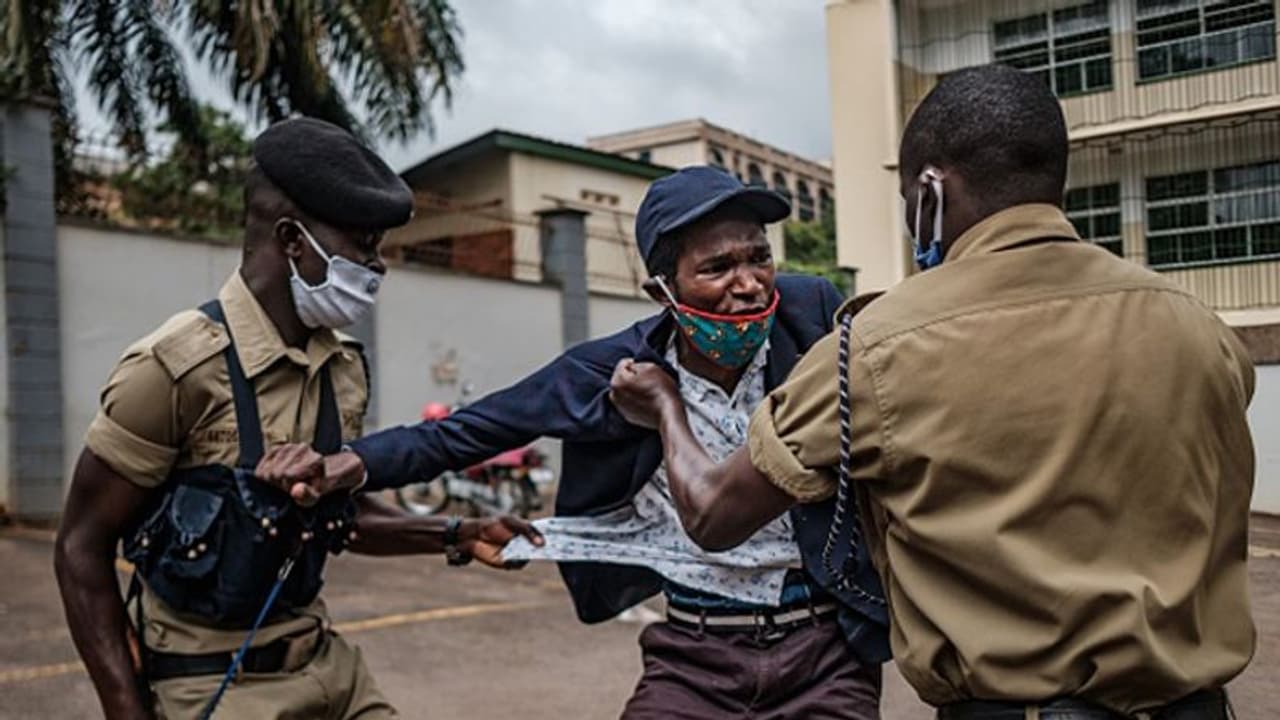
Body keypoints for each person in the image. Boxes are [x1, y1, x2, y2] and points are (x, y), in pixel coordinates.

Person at [609, 64, 1254, 719]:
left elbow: (715, 516)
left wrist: (663, 405)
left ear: (929, 191)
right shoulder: (1201, 329)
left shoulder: (875, 348)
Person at [261, 166, 891, 718]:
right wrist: (348, 464)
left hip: (825, 651)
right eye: (718, 268)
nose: (750, 282)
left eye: (758, 257)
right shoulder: (611, 374)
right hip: (695, 656)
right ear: (663, 292)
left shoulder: (809, 317)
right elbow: (469, 431)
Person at [53, 117, 541, 720]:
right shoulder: (175, 367)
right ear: (291, 240)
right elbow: (81, 546)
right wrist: (127, 710)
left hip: (330, 667)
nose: (378, 266)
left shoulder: (340, 369)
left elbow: (337, 515)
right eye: (364, 244)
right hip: (212, 685)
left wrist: (456, 534)